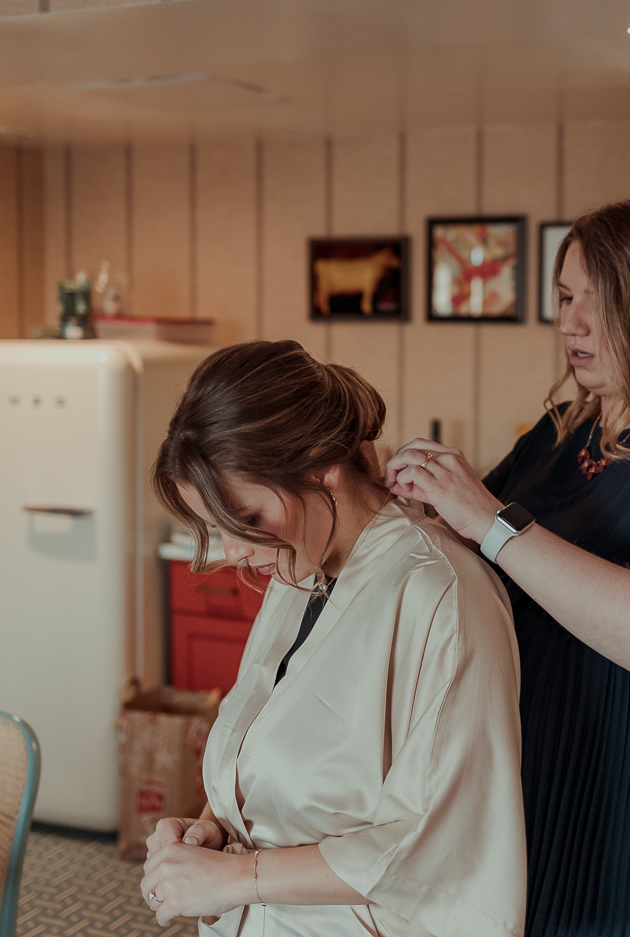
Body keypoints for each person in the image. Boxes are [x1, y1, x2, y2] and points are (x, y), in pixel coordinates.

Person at [385, 196, 630, 937]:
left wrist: (487, 521)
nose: (571, 324)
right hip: (527, 737)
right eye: (565, 298)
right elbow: (477, 547)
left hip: (623, 769)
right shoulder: (566, 432)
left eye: (601, 304)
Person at [141, 340, 527, 937]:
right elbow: (277, 761)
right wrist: (212, 827)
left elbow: (445, 847)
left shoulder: (441, 595)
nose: (233, 552)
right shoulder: (299, 568)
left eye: (243, 520)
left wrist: (235, 880)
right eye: (216, 529)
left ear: (322, 465)